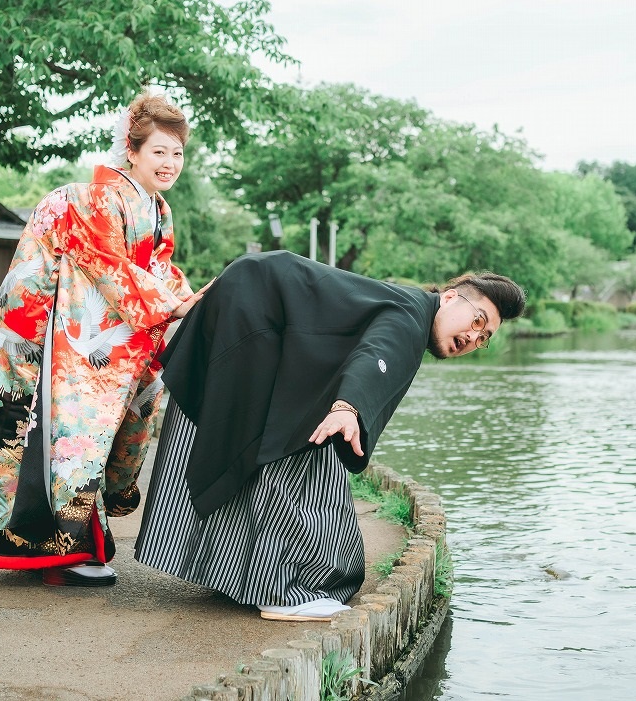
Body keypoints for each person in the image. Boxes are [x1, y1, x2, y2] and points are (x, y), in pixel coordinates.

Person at [134, 251, 525, 620]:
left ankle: (240, 576)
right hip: (253, 312)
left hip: (252, 303)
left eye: (485, 337)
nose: (475, 339)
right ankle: (282, 594)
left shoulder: (411, 309)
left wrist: (344, 406)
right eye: (477, 322)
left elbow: (366, 347)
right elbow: (377, 352)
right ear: (452, 298)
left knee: (280, 447)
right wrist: (347, 407)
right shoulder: (409, 318)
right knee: (294, 464)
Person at [0, 92, 209, 587]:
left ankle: (70, 544)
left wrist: (190, 298)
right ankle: (58, 551)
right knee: (63, 432)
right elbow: (108, 266)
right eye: (159, 151)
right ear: (132, 151)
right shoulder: (99, 197)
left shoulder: (156, 208)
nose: (170, 163)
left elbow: (158, 268)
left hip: (91, 331)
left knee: (96, 429)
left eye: (177, 153)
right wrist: (174, 305)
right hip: (51, 333)